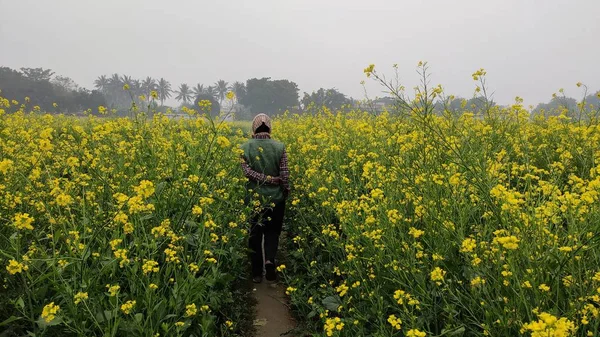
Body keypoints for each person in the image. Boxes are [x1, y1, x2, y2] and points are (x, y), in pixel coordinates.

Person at [240, 113, 290, 283]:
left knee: (255, 234)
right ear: (270, 128)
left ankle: (256, 273)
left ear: (254, 128)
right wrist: (284, 190)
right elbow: (284, 175)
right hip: (276, 199)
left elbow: (246, 172)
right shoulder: (280, 147)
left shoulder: (244, 147)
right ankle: (269, 260)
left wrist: (262, 179)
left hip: (254, 198)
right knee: (272, 232)